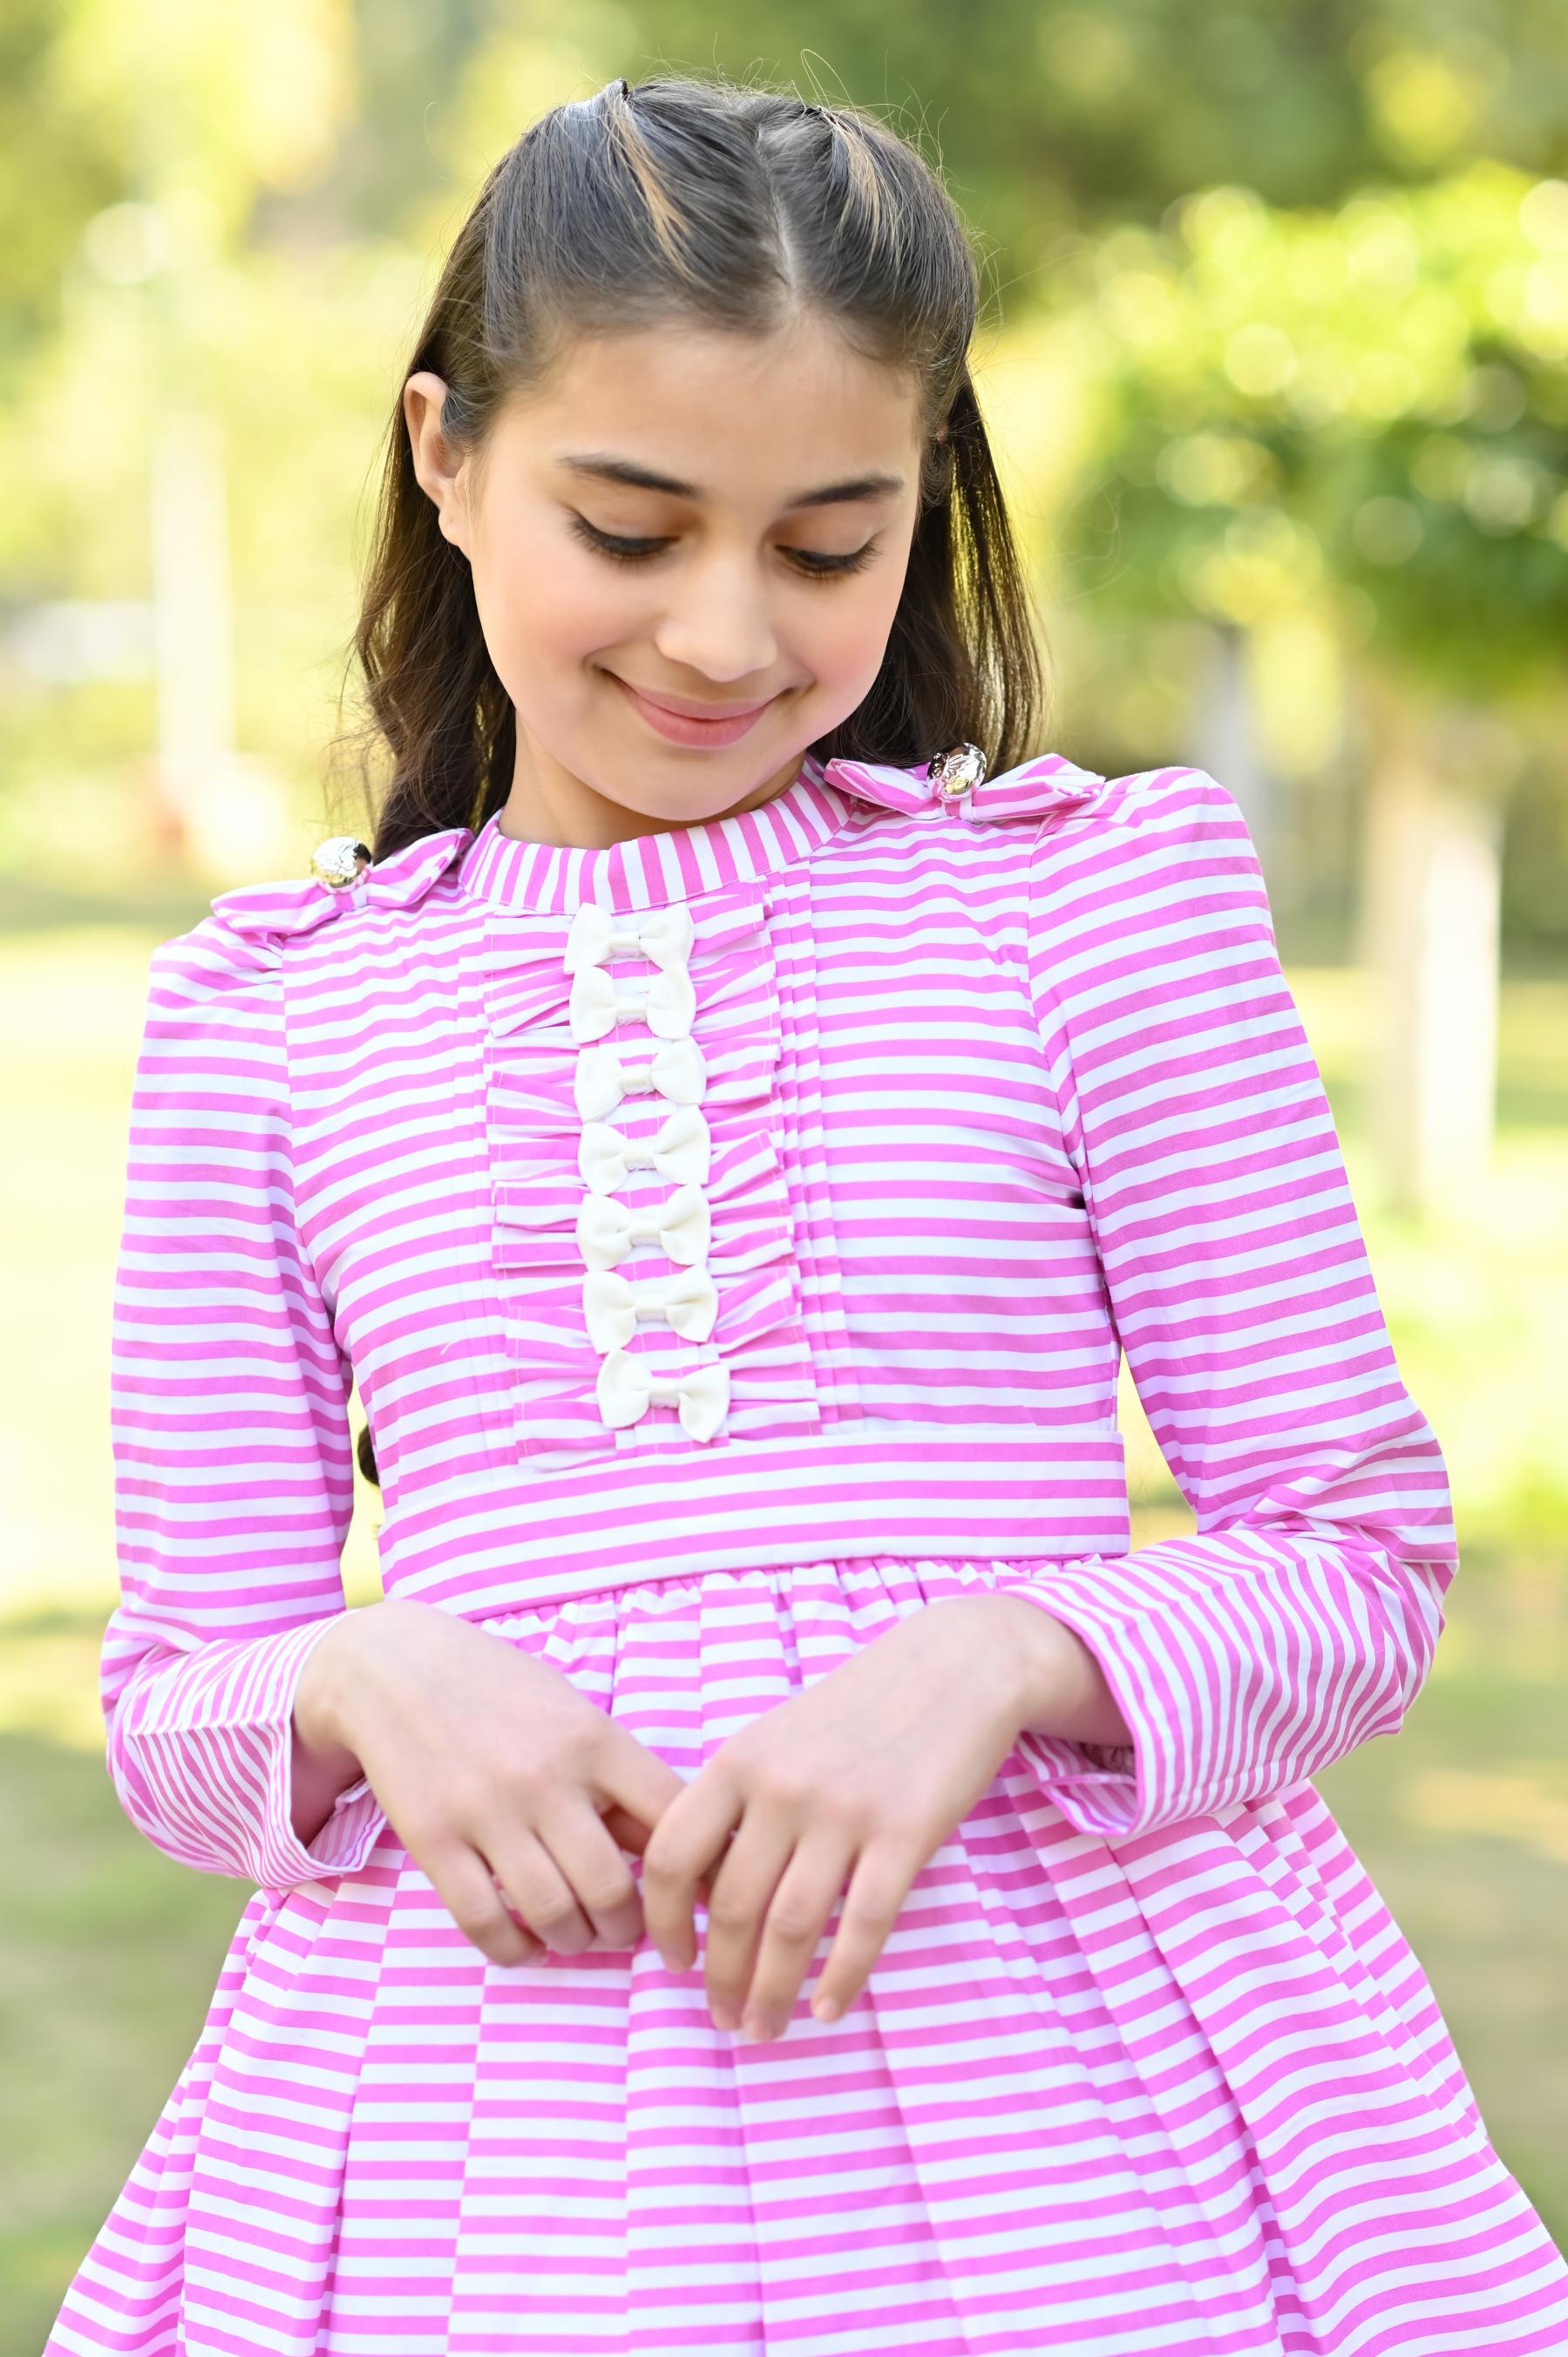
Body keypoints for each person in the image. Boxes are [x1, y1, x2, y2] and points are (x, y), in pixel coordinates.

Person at [47, 71, 1568, 2357]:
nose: (730, 636)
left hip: (1104, 2123)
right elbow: (179, 1709)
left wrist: (995, 1655)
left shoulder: (1092, 914)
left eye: (830, 544)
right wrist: (372, 1671)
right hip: (484, 2157)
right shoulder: (265, 1018)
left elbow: (1350, 1565)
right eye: (632, 530)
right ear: (443, 454)